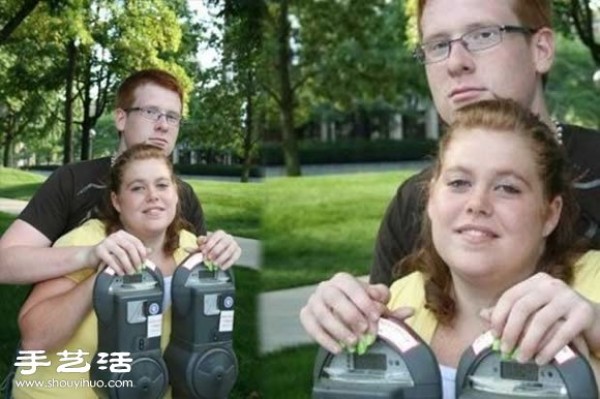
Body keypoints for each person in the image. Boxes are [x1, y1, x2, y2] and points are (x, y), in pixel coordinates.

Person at [299, 0, 600, 350]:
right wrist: (346, 314)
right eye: (438, 45)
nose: (456, 63)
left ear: (541, 49)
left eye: (483, 34)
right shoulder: (412, 201)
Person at [302, 99, 600, 397]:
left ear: (549, 214)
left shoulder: (591, 288)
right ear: (431, 198)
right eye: (459, 182)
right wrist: (340, 326)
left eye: (507, 188)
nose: (477, 204)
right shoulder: (403, 298)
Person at [11, 144, 241, 399]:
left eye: (162, 185)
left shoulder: (192, 250)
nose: (153, 195)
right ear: (117, 201)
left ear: (176, 194)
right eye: (138, 188)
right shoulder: (87, 242)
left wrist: (222, 256)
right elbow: (34, 340)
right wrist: (103, 278)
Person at [0, 68, 240, 283]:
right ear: (121, 118)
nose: (163, 126)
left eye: (172, 116)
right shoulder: (73, 180)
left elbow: (196, 275)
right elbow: (4, 262)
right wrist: (89, 255)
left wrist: (218, 252)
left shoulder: (182, 195)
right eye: (151, 112)